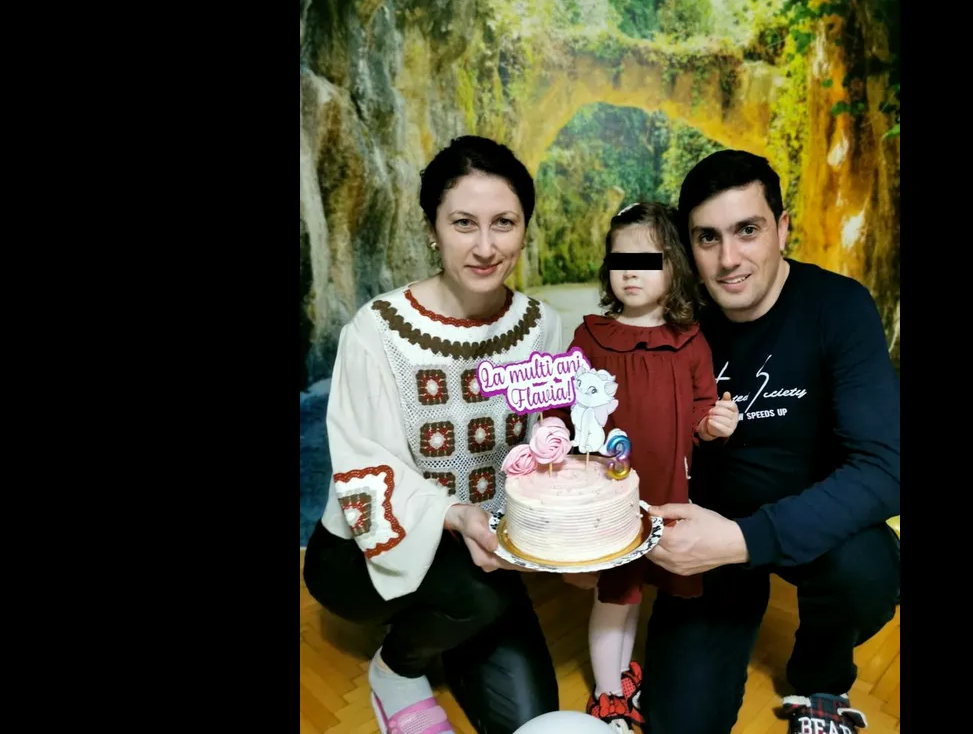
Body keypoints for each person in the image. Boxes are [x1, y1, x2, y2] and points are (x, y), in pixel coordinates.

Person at [302, 135, 566, 734]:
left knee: (532, 720)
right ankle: (398, 668)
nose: (485, 246)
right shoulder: (376, 330)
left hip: (486, 551)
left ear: (524, 229)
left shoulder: (543, 327)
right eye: (463, 223)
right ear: (432, 228)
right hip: (361, 550)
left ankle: (447, 619)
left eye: (504, 223)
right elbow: (363, 469)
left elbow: (541, 440)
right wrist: (453, 514)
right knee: (478, 594)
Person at [638, 150, 901, 734]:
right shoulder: (675, 319)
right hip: (706, 531)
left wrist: (746, 539)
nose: (728, 259)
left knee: (868, 572)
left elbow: (887, 468)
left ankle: (821, 676)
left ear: (782, 228)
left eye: (748, 230)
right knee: (678, 723)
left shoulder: (840, 306)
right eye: (708, 238)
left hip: (815, 527)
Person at [547, 201, 739, 732]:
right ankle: (607, 695)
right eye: (620, 259)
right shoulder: (591, 336)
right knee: (614, 593)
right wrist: (551, 432)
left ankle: (621, 673)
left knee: (635, 592)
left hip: (666, 492)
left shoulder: (691, 340)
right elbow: (562, 405)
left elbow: (701, 409)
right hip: (610, 495)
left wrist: (715, 423)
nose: (631, 272)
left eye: (647, 260)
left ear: (675, 265)